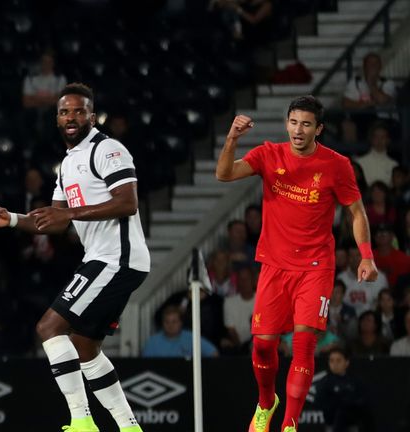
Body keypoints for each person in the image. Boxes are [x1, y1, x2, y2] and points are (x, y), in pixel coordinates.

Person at [0, 83, 149, 432]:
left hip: (117, 258)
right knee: (85, 348)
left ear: (91, 114)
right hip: (104, 259)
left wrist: (72, 215)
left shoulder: (107, 149)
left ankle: (82, 421)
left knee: (49, 327)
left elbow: (127, 202)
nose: (71, 117)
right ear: (56, 118)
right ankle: (129, 426)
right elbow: (52, 221)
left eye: (78, 111)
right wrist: (10, 218)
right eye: (64, 112)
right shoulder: (68, 164)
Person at [215, 95, 378, 432]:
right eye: (293, 122)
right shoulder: (268, 154)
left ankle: (290, 424)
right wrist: (232, 138)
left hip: (316, 267)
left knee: (304, 342)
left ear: (319, 129)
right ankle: (266, 403)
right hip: (274, 265)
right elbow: (225, 173)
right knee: (262, 347)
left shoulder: (336, 165)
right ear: (286, 123)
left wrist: (366, 255)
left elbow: (356, 211)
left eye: (306, 124)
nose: (298, 130)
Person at [341, 52, 397, 142]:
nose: (372, 66)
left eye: (375, 64)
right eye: (370, 63)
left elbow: (382, 100)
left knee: (375, 125)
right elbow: (346, 103)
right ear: (364, 66)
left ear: (380, 66)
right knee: (347, 124)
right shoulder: (355, 82)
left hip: (384, 120)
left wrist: (371, 83)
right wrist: (364, 105)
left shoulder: (388, 83)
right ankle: (354, 154)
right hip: (360, 117)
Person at [314, 347, 373, 432]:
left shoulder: (354, 381)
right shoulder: (325, 382)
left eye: (338, 360)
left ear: (346, 362)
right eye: (331, 360)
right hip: (332, 425)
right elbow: (319, 403)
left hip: (352, 425)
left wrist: (349, 403)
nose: (335, 364)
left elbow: (364, 401)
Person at [142, 305, 219, 358]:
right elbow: (146, 365)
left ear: (180, 323)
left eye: (174, 321)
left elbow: (214, 353)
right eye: (167, 322)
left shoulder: (192, 338)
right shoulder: (153, 342)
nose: (170, 325)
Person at [353, 122, 399, 186]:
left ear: (388, 140)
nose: (379, 140)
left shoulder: (393, 165)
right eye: (376, 137)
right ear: (371, 139)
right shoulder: (359, 163)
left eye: (383, 137)